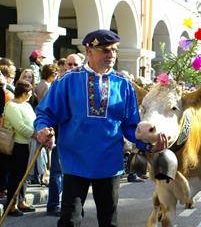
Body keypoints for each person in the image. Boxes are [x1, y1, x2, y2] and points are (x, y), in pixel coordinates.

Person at [34, 29, 167, 227]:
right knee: (70, 220)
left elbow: (131, 126)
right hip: (74, 162)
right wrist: (42, 129)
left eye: (114, 50)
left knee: (108, 222)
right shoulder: (67, 81)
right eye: (105, 50)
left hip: (109, 164)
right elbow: (45, 113)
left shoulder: (124, 85)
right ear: (89, 51)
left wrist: (148, 145)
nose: (111, 55)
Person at [46, 53, 83, 217]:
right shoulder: (57, 85)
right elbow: (48, 112)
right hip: (59, 136)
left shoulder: (84, 85)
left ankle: (73, 208)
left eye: (75, 65)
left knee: (75, 174)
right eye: (69, 64)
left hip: (79, 140)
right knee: (56, 172)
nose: (71, 68)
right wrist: (48, 130)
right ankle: (53, 205)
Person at [3, 80, 37, 216]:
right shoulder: (12, 106)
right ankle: (11, 205)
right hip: (17, 145)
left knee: (24, 175)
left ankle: (21, 202)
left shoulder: (27, 105)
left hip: (28, 144)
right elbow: (20, 127)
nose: (30, 95)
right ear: (23, 93)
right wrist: (36, 134)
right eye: (29, 93)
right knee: (16, 176)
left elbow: (33, 121)